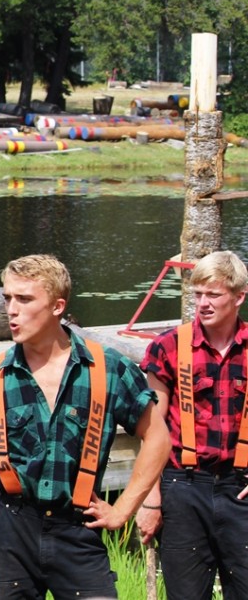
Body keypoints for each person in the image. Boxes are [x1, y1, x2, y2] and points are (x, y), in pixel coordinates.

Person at [0, 254, 169, 600]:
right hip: (13, 530)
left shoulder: (108, 369)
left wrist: (123, 509)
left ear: (58, 306)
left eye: (24, 299)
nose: (11, 310)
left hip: (77, 528)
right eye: (7, 298)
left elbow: (158, 439)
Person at [137, 250, 248, 599]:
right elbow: (152, 431)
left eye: (213, 294)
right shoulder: (168, 347)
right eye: (198, 294)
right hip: (183, 488)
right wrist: (150, 499)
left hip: (240, 487)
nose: (203, 303)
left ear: (239, 296)